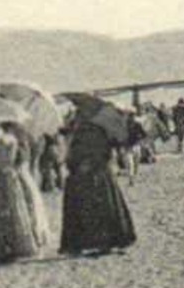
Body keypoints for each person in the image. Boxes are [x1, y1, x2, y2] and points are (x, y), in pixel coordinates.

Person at [59, 107, 138, 256]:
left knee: (94, 209)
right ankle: (102, 243)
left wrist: (82, 164)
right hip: (95, 174)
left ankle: (93, 243)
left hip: (93, 174)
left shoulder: (89, 132)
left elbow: (99, 152)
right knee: (103, 208)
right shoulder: (96, 130)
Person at [0, 123, 41, 263]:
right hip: (9, 177)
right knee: (15, 212)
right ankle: (18, 245)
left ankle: (1, 247)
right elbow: (14, 161)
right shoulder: (12, 140)